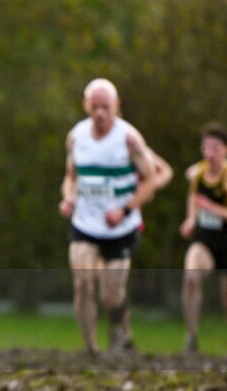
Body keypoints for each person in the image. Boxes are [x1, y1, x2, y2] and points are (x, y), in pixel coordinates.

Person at [58, 78, 169, 355]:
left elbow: (152, 180)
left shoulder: (129, 138)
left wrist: (125, 209)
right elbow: (71, 178)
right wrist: (69, 199)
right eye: (94, 107)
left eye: (104, 107)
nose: (99, 113)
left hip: (121, 228)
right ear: (85, 106)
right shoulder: (76, 137)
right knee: (83, 284)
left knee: (112, 296)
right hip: (85, 223)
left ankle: (120, 333)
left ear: (116, 106)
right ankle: (90, 348)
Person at [180, 122, 227, 360]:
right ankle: (191, 337)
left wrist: (214, 209)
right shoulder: (197, 173)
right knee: (191, 278)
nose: (210, 154)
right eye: (206, 148)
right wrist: (191, 219)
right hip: (204, 240)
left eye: (216, 148)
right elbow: (193, 197)